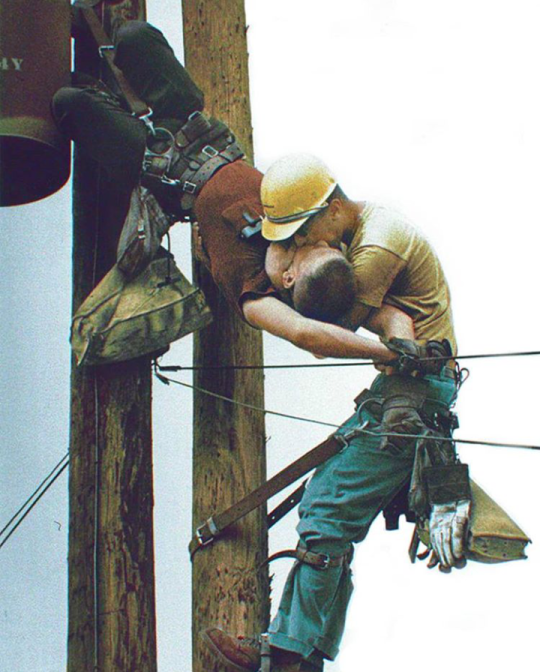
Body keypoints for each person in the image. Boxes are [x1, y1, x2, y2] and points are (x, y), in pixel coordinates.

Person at [204, 155, 470, 672]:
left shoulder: (375, 247)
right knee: (328, 501)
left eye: (302, 233)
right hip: (403, 388)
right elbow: (389, 319)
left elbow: (315, 324)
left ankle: (286, 654)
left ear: (331, 208)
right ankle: (304, 653)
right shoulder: (357, 230)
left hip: (413, 394)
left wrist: (271, 270)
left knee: (327, 511)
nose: (302, 246)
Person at [52, 19, 425, 366]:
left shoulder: (257, 292)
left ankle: (99, 95)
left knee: (69, 102)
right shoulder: (318, 258)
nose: (301, 240)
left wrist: (385, 359)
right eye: (317, 244)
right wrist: (403, 349)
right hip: (198, 129)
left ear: (290, 279)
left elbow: (305, 334)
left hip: (161, 167)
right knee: (133, 35)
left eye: (300, 251)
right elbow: (392, 315)